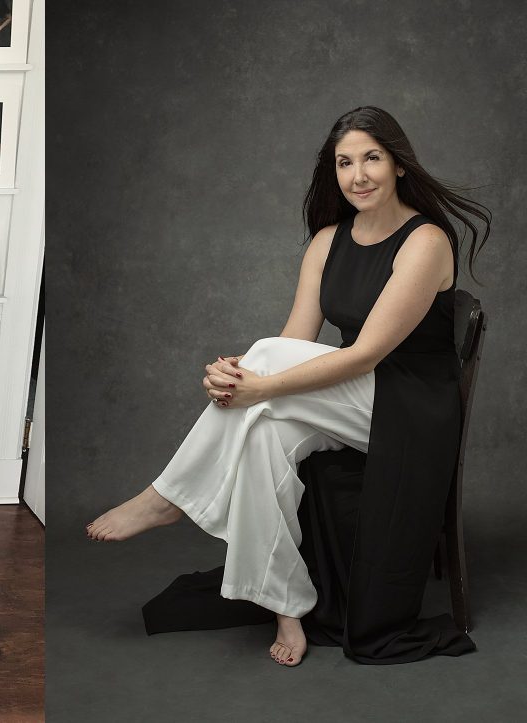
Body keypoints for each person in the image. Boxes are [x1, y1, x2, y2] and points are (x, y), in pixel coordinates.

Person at [86, 106, 491, 666]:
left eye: (372, 158)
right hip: (357, 394)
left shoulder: (426, 242)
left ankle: (166, 498)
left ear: (398, 163)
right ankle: (286, 605)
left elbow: (367, 353)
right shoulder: (328, 240)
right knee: (263, 434)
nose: (359, 175)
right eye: (345, 163)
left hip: (410, 410)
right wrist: (239, 381)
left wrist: (261, 382)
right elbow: (295, 339)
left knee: (266, 379)